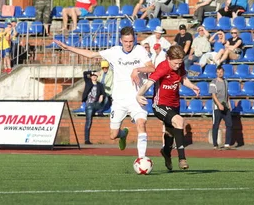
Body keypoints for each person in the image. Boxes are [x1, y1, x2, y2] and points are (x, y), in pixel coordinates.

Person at [55, 26, 154, 159]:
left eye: (131, 41)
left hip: (136, 98)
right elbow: (91, 54)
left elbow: (152, 68)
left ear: (134, 40)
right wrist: (68, 48)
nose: (128, 44)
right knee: (113, 135)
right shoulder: (114, 52)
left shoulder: (140, 50)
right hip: (119, 99)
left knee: (141, 124)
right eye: (126, 41)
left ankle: (142, 159)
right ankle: (123, 135)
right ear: (121, 40)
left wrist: (137, 69)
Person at [136, 45, 199, 170]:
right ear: (168, 58)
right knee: (179, 121)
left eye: (180, 63)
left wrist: (192, 86)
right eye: (175, 63)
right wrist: (139, 94)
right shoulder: (162, 68)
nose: (177, 66)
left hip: (175, 104)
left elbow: (183, 79)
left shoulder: (180, 66)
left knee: (170, 133)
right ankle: (182, 159)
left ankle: (166, 152)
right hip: (160, 105)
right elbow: (149, 83)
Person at [210, 65, 234, 150]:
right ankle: (215, 145)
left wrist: (229, 104)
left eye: (221, 72)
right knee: (216, 125)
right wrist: (219, 104)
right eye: (218, 72)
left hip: (225, 106)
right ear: (216, 73)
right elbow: (213, 95)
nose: (219, 74)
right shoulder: (213, 82)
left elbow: (227, 94)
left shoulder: (225, 81)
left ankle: (227, 143)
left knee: (229, 124)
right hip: (217, 107)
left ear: (223, 72)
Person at [82, 70, 105, 145]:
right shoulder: (88, 82)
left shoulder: (100, 85)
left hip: (97, 104)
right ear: (91, 77)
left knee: (106, 99)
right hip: (89, 104)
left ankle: (100, 110)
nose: (94, 77)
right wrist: (93, 72)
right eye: (93, 76)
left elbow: (103, 93)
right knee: (88, 122)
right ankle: (86, 140)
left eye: (95, 76)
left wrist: (101, 96)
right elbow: (85, 73)